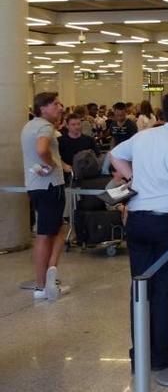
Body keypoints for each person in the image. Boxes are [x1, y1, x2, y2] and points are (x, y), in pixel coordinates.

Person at [109, 91, 168, 371]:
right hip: (167, 223)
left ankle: (141, 351)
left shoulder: (144, 136)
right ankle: (162, 354)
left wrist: (132, 177)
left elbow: (114, 156)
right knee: (166, 289)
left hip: (137, 219)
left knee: (140, 286)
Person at [22, 92, 69, 300]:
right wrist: (52, 165)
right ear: (43, 108)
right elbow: (42, 150)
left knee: (53, 230)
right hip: (50, 186)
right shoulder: (45, 126)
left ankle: (46, 279)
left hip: (35, 186)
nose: (60, 107)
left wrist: (61, 164)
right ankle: (44, 283)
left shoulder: (28, 126)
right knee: (48, 233)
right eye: (55, 104)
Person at [58, 113, 100, 177]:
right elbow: (56, 157)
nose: (76, 127)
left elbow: (97, 155)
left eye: (78, 124)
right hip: (68, 174)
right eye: (73, 125)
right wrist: (64, 165)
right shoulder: (60, 141)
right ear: (67, 126)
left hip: (86, 174)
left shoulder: (89, 139)